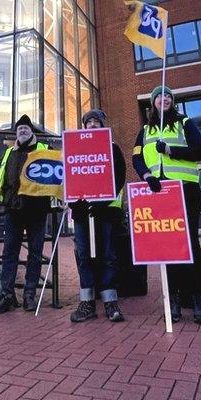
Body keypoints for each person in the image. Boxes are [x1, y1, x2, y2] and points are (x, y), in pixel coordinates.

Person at [132, 86, 201, 324]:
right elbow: (136, 157)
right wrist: (147, 176)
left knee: (190, 242)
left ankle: (197, 296)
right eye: (159, 96)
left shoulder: (184, 122)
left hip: (186, 188)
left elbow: (200, 151)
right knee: (168, 244)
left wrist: (170, 150)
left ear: (172, 102)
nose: (163, 99)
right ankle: (173, 297)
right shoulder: (144, 130)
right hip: (159, 191)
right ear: (153, 103)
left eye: (168, 96)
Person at [0, 114, 51, 315]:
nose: (22, 131)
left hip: (37, 210)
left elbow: (58, 174)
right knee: (9, 254)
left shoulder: (45, 151)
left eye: (25, 128)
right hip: (13, 210)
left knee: (35, 253)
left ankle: (29, 294)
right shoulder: (8, 153)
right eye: (19, 129)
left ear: (32, 131)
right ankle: (8, 295)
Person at [69, 109, 127, 323]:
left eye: (96, 121)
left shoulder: (112, 148)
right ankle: (87, 303)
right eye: (89, 122)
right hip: (82, 212)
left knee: (108, 256)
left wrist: (101, 200)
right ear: (84, 126)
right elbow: (69, 177)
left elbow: (119, 176)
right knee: (84, 256)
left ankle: (111, 303)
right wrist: (77, 201)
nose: (92, 125)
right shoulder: (74, 148)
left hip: (107, 211)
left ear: (103, 125)